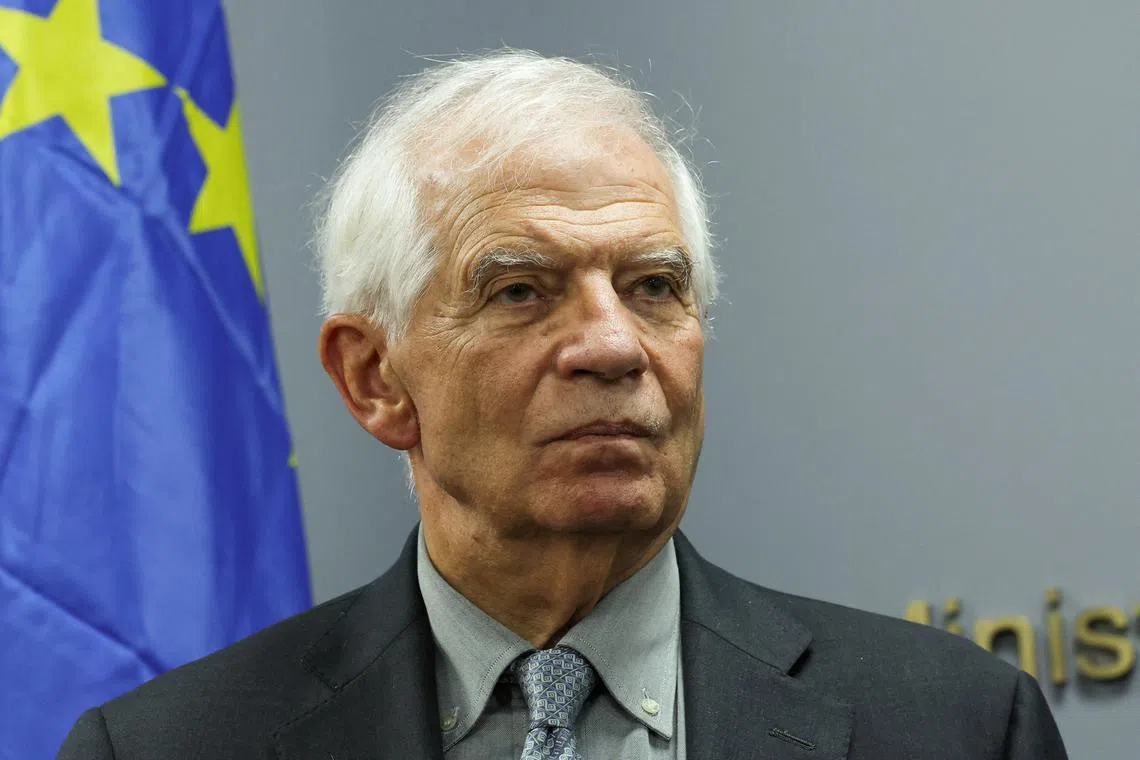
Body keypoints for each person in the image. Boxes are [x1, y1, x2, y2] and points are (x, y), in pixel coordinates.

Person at [58, 49, 1068, 759]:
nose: (615, 345)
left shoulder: (960, 726)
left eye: (654, 287)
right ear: (375, 379)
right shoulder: (163, 746)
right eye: (521, 290)